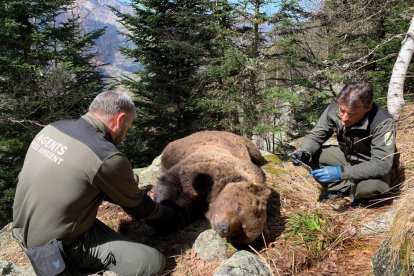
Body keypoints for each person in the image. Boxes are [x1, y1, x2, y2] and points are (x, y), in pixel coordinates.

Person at [12, 90, 177, 275]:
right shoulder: (105, 156)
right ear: (120, 119)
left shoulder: (53, 128)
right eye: (128, 126)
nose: (126, 133)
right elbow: (138, 205)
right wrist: (169, 215)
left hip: (23, 228)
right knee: (152, 262)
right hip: (57, 248)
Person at [290, 82, 399, 207]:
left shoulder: (382, 122)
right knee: (312, 155)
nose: (344, 118)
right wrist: (304, 152)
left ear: (367, 107)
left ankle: (358, 193)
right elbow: (315, 136)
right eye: (342, 111)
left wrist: (340, 173)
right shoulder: (332, 111)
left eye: (352, 114)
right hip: (350, 158)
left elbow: (382, 164)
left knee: (370, 188)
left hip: (372, 165)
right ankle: (344, 188)